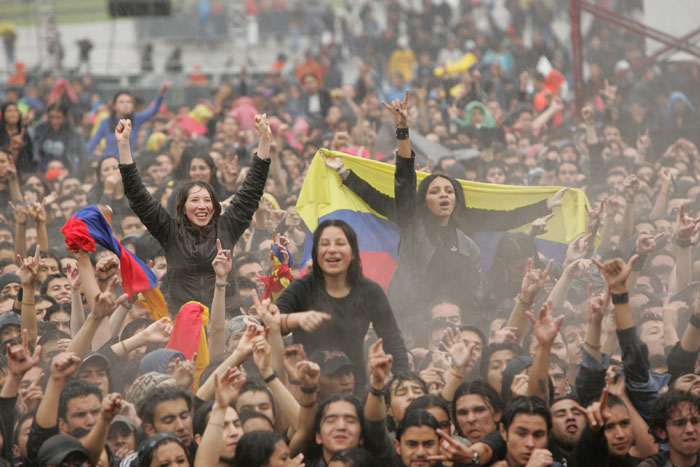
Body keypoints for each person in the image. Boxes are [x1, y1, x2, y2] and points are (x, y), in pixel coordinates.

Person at [116, 115, 271, 314]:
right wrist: (123, 145)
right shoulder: (170, 231)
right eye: (195, 201)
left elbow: (252, 190)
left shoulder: (227, 227)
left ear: (215, 206)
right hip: (183, 318)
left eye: (207, 201)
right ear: (182, 207)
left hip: (225, 317)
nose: (202, 206)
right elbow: (138, 196)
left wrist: (265, 140)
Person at [276, 218, 409, 391]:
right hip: (310, 388)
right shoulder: (302, 288)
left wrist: (404, 381)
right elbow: (268, 324)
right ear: (316, 252)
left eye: (340, 243)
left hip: (355, 388)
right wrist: (296, 319)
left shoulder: (369, 291)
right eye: (325, 244)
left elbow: (393, 342)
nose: (332, 249)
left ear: (353, 252)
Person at [88, 83, 169, 156]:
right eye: (121, 102)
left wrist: (161, 93)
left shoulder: (136, 119)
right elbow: (93, 143)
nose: (125, 105)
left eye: (129, 102)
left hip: (128, 165)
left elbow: (153, 110)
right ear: (114, 105)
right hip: (110, 163)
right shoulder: (106, 122)